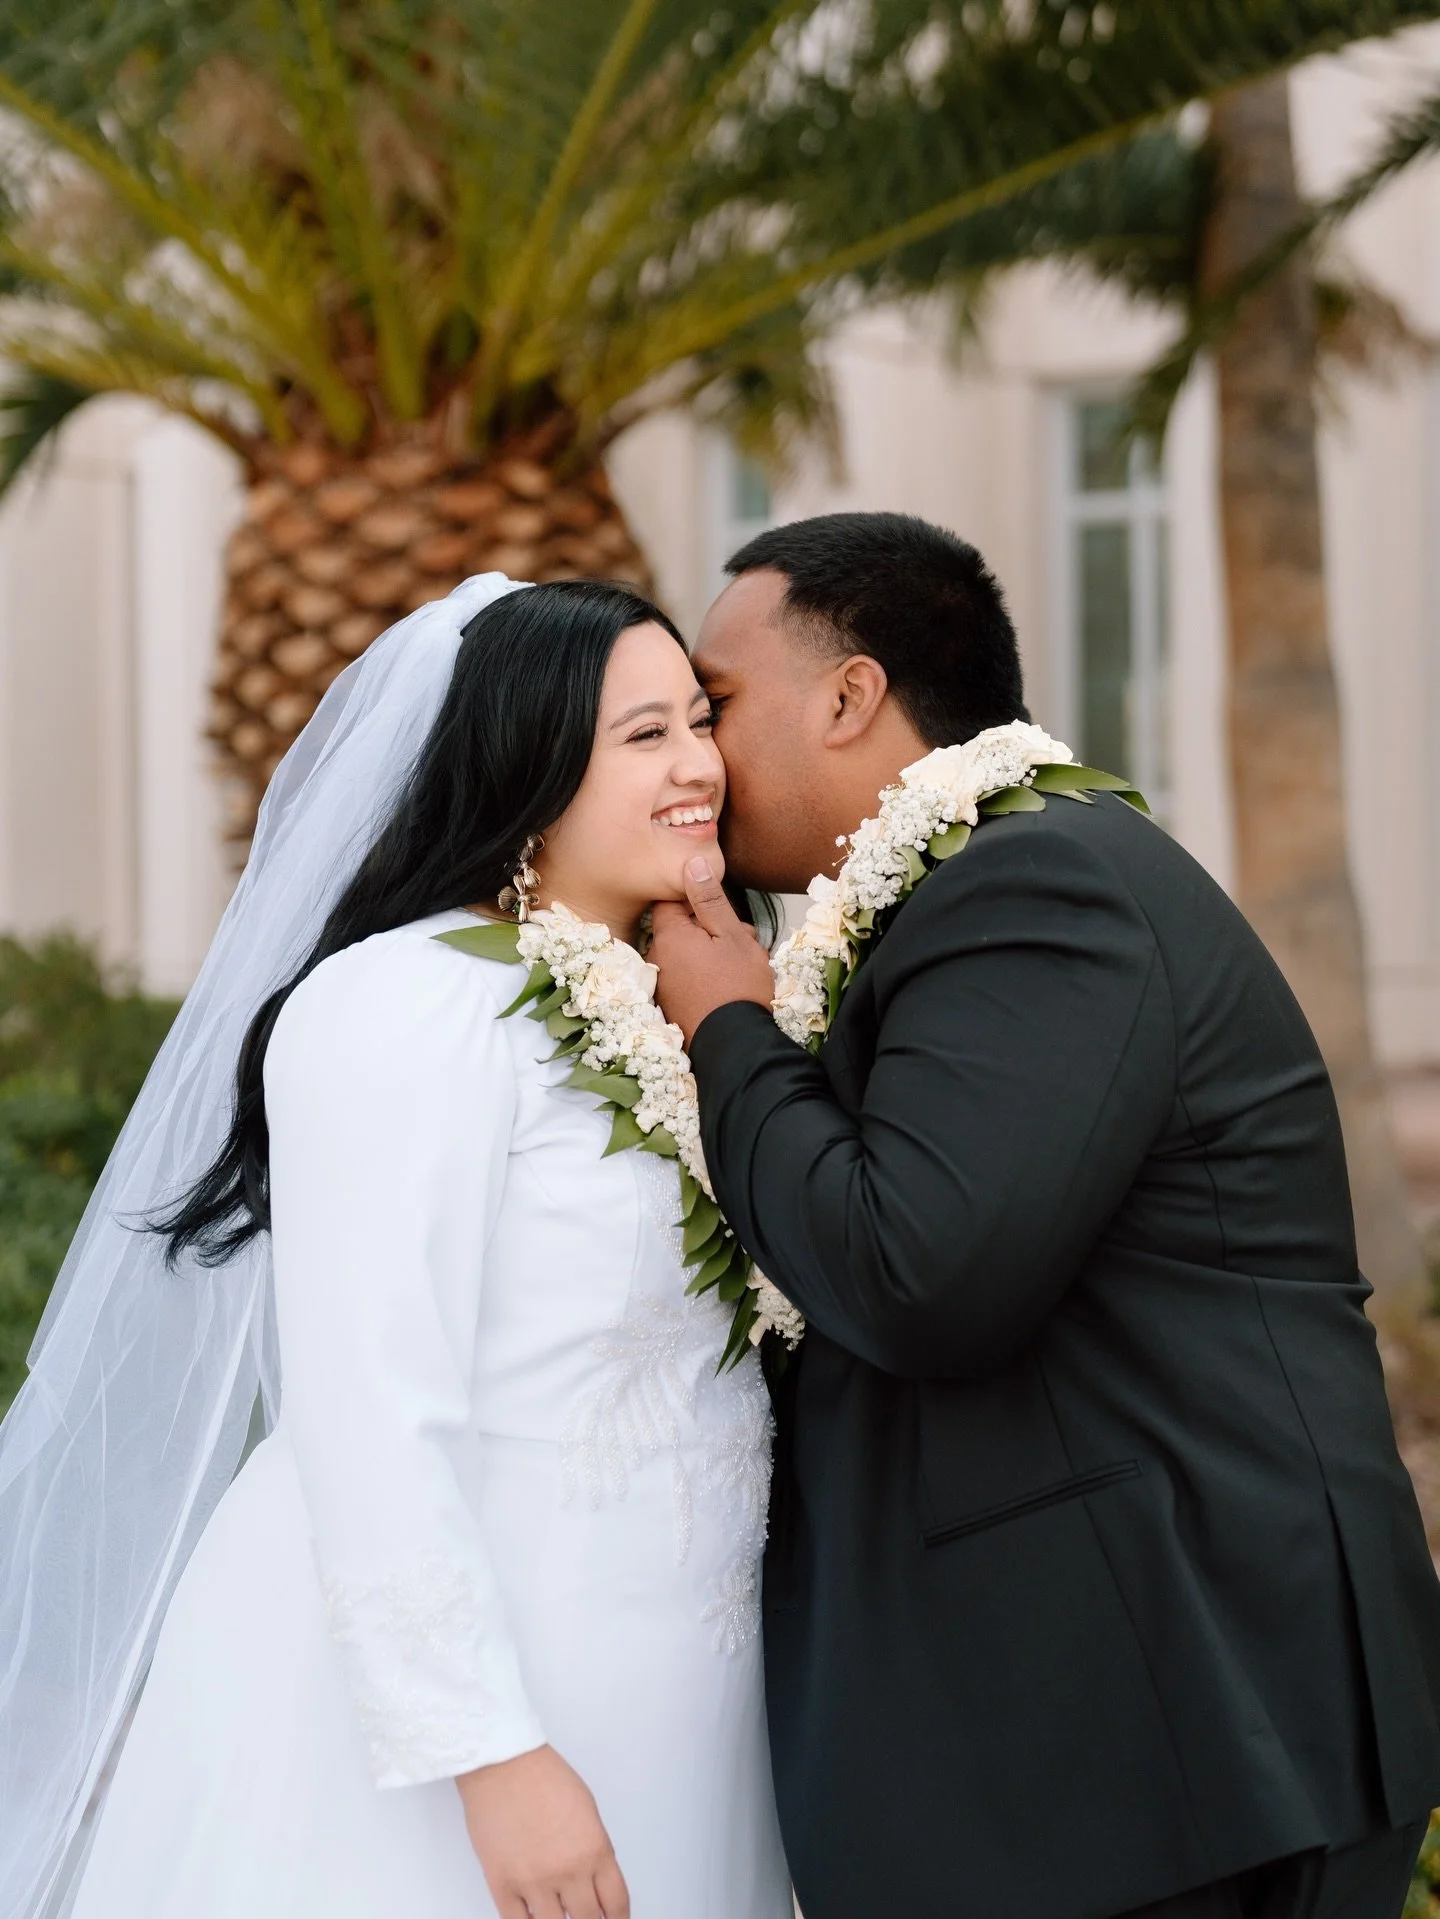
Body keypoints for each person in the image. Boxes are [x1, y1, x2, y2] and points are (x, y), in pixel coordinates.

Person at [649, 511, 1440, 1919]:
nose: (698, 757)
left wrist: (731, 1036)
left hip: (1184, 1731)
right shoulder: (947, 898)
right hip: (1110, 1747)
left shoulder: (1035, 885)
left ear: (850, 694)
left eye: (714, 703)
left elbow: (917, 1271)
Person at [0, 575, 791, 1919]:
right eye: (644, 733)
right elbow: (369, 1410)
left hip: (684, 1698)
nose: (699, 765)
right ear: (524, 759)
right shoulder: (405, 1001)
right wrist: (488, 1751)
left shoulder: (694, 1014)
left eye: (699, 722)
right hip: (459, 1729)